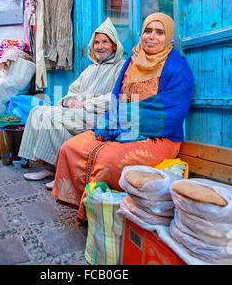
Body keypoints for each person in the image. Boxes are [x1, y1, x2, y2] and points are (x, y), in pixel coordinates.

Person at [51, 13, 195, 222]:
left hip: (159, 136)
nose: (151, 37)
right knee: (70, 148)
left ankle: (99, 215)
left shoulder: (178, 68)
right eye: (147, 31)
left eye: (159, 32)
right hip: (120, 127)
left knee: (108, 161)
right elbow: (116, 99)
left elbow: (171, 113)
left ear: (169, 36)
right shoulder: (132, 61)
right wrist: (112, 123)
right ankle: (86, 206)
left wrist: (125, 118)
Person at [18, 18, 125, 189]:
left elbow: (114, 98)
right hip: (80, 112)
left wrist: (84, 104)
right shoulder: (90, 69)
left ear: (114, 45)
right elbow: (72, 90)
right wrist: (69, 101)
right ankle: (48, 166)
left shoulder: (120, 68)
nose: (100, 46)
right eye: (96, 42)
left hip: (98, 116)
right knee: (37, 111)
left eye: (105, 41)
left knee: (53, 117)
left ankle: (63, 173)